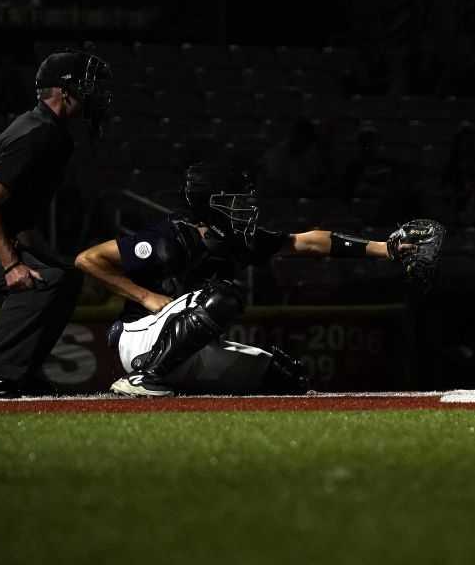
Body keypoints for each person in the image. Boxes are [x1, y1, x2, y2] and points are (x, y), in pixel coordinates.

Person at [75, 163, 438, 397]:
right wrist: (146, 297)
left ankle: (163, 379)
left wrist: (386, 248)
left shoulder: (236, 240)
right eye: (235, 201)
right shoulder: (172, 237)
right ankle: (144, 381)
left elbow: (308, 241)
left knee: (285, 376)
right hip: (141, 340)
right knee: (224, 298)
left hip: (187, 345)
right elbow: (89, 259)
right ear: (209, 204)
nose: (246, 208)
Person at [0, 51, 113, 399]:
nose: (96, 94)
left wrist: (54, 261)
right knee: (43, 284)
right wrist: (13, 266)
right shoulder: (37, 133)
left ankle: (17, 371)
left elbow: (21, 220)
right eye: (87, 86)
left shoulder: (53, 133)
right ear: (63, 91)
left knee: (64, 277)